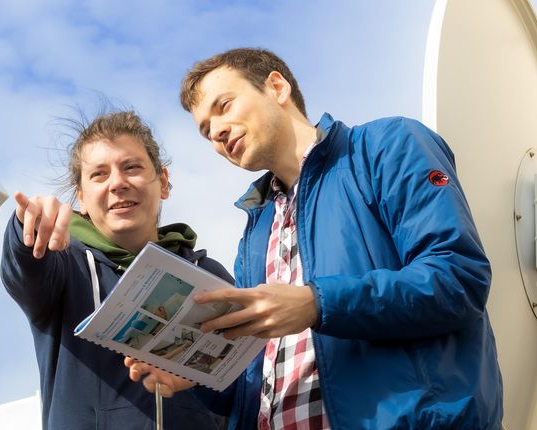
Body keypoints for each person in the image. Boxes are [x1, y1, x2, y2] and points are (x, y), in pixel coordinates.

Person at [126, 48, 503, 429]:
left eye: (224, 106)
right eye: (206, 130)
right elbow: (259, 377)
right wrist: (200, 378)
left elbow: (458, 278)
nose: (217, 133)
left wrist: (316, 304)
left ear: (276, 86)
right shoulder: (256, 231)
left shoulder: (388, 146)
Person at [0, 110, 231, 429]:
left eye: (132, 167)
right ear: (81, 197)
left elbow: (243, 378)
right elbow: (22, 268)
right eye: (99, 174)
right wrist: (26, 227)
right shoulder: (64, 264)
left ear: (163, 181)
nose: (118, 183)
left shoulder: (210, 275)